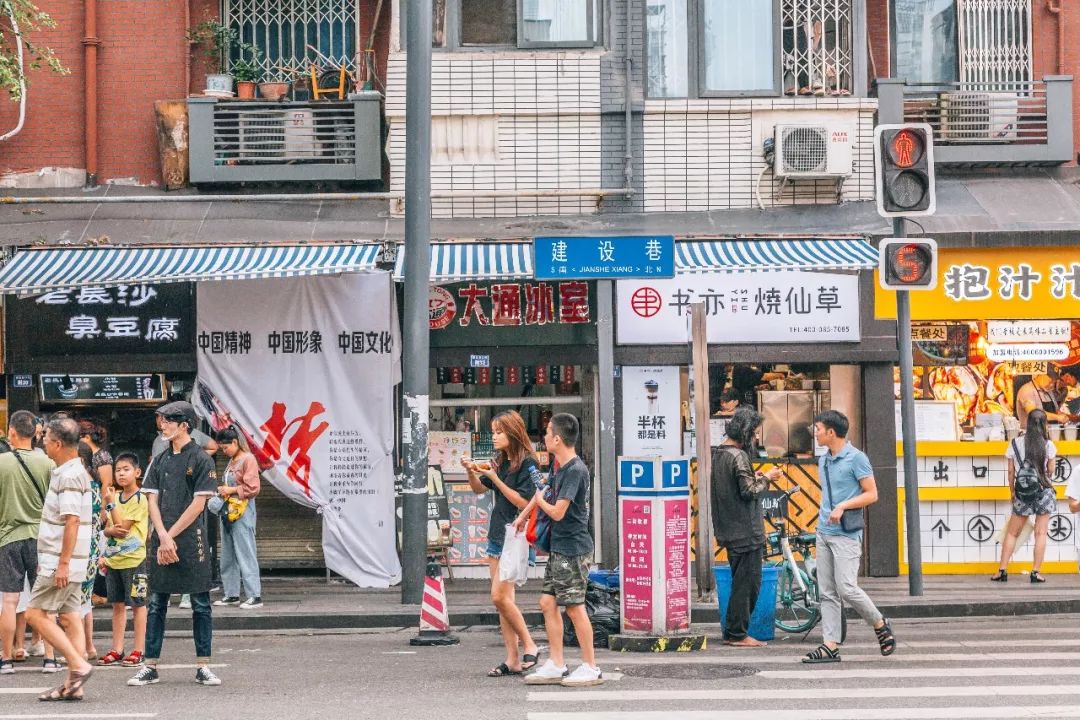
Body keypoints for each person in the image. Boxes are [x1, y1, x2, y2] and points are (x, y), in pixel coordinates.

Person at [128, 401, 221, 688]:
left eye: (168, 421)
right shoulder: (161, 459)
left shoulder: (202, 459)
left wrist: (171, 534)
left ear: (184, 425)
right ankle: (150, 665)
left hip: (192, 541)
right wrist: (162, 535)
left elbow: (199, 503)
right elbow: (151, 498)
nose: (163, 426)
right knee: (156, 603)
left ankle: (203, 665)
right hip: (161, 540)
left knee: (201, 603)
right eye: (162, 421)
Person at [802, 410, 894, 664]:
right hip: (824, 532)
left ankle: (879, 622)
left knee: (846, 587)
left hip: (846, 534)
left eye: (818, 428)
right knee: (827, 592)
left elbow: (872, 494)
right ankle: (830, 645)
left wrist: (844, 505)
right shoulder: (824, 460)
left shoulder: (856, 458)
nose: (815, 432)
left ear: (831, 432)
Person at [521, 413, 603, 688]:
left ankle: (591, 666)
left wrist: (539, 503)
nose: (543, 437)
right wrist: (524, 516)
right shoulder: (559, 466)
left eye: (546, 432)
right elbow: (545, 495)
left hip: (573, 549)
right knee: (547, 603)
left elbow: (557, 511)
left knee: (574, 607)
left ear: (557, 438)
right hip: (560, 546)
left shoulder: (575, 470)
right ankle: (557, 663)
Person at [461, 411, 541, 678]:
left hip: (515, 536)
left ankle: (530, 643)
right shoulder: (501, 462)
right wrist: (471, 471)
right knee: (503, 601)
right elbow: (477, 489)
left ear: (513, 433)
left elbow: (526, 503)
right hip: (497, 535)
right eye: (493, 432)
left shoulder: (528, 464)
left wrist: (495, 480)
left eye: (498, 432)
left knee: (498, 596)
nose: (493, 437)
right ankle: (513, 658)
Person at [25, 417, 95, 701]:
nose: (42, 442)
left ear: (56, 443)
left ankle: (78, 666)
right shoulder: (75, 471)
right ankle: (73, 685)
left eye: (45, 438)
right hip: (73, 560)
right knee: (70, 617)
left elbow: (72, 521)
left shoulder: (67, 475)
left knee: (34, 614)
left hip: (60, 561)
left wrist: (62, 563)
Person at [711, 408, 782, 648]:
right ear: (745, 432)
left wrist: (756, 476)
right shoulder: (738, 456)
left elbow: (737, 485)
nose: (756, 439)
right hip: (745, 531)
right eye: (754, 434)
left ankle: (734, 631)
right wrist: (768, 478)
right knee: (748, 583)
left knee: (740, 581)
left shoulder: (720, 453)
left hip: (729, 529)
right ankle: (737, 634)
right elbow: (748, 491)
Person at [0, 410, 54, 675]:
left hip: (8, 538)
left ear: (11, 431)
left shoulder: (1, 463)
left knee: (10, 601)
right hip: (40, 538)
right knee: (43, 600)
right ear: (36, 433)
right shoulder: (47, 463)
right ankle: (50, 659)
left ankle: (7, 659)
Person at [992, 409, 1057, 584]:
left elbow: (1011, 471)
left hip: (1023, 492)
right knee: (1041, 533)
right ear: (1044, 424)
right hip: (1044, 491)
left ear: (1027, 423)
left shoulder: (1015, 443)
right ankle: (1035, 572)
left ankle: (1002, 571)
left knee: (1012, 533)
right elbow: (1051, 471)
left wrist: (1012, 492)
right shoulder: (1049, 445)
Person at [98, 453, 149, 667]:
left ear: (137, 473)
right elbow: (107, 529)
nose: (121, 473)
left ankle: (139, 649)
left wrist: (109, 504)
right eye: (118, 470)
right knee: (117, 606)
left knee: (138, 605)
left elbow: (121, 529)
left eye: (126, 469)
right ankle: (117, 649)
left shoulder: (140, 498)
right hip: (114, 561)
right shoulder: (116, 498)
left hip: (135, 561)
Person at [212, 428, 263, 610]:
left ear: (235, 443)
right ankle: (231, 593)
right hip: (229, 512)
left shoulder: (248, 459)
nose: (223, 451)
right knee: (228, 554)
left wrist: (231, 490)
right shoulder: (232, 461)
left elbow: (253, 488)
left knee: (246, 552)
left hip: (242, 513)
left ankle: (254, 595)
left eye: (225, 447)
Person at [76, 441, 102, 661]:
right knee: (86, 601)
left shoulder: (80, 484)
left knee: (75, 601)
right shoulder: (95, 484)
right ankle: (89, 646)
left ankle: (81, 649)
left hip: (80, 547)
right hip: (93, 547)